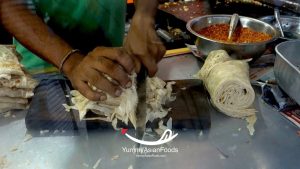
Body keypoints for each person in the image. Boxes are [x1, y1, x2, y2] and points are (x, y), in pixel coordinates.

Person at [0, 0, 165, 101]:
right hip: (44, 73)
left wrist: (144, 15)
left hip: (111, 65)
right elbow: (9, 4)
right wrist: (71, 62)